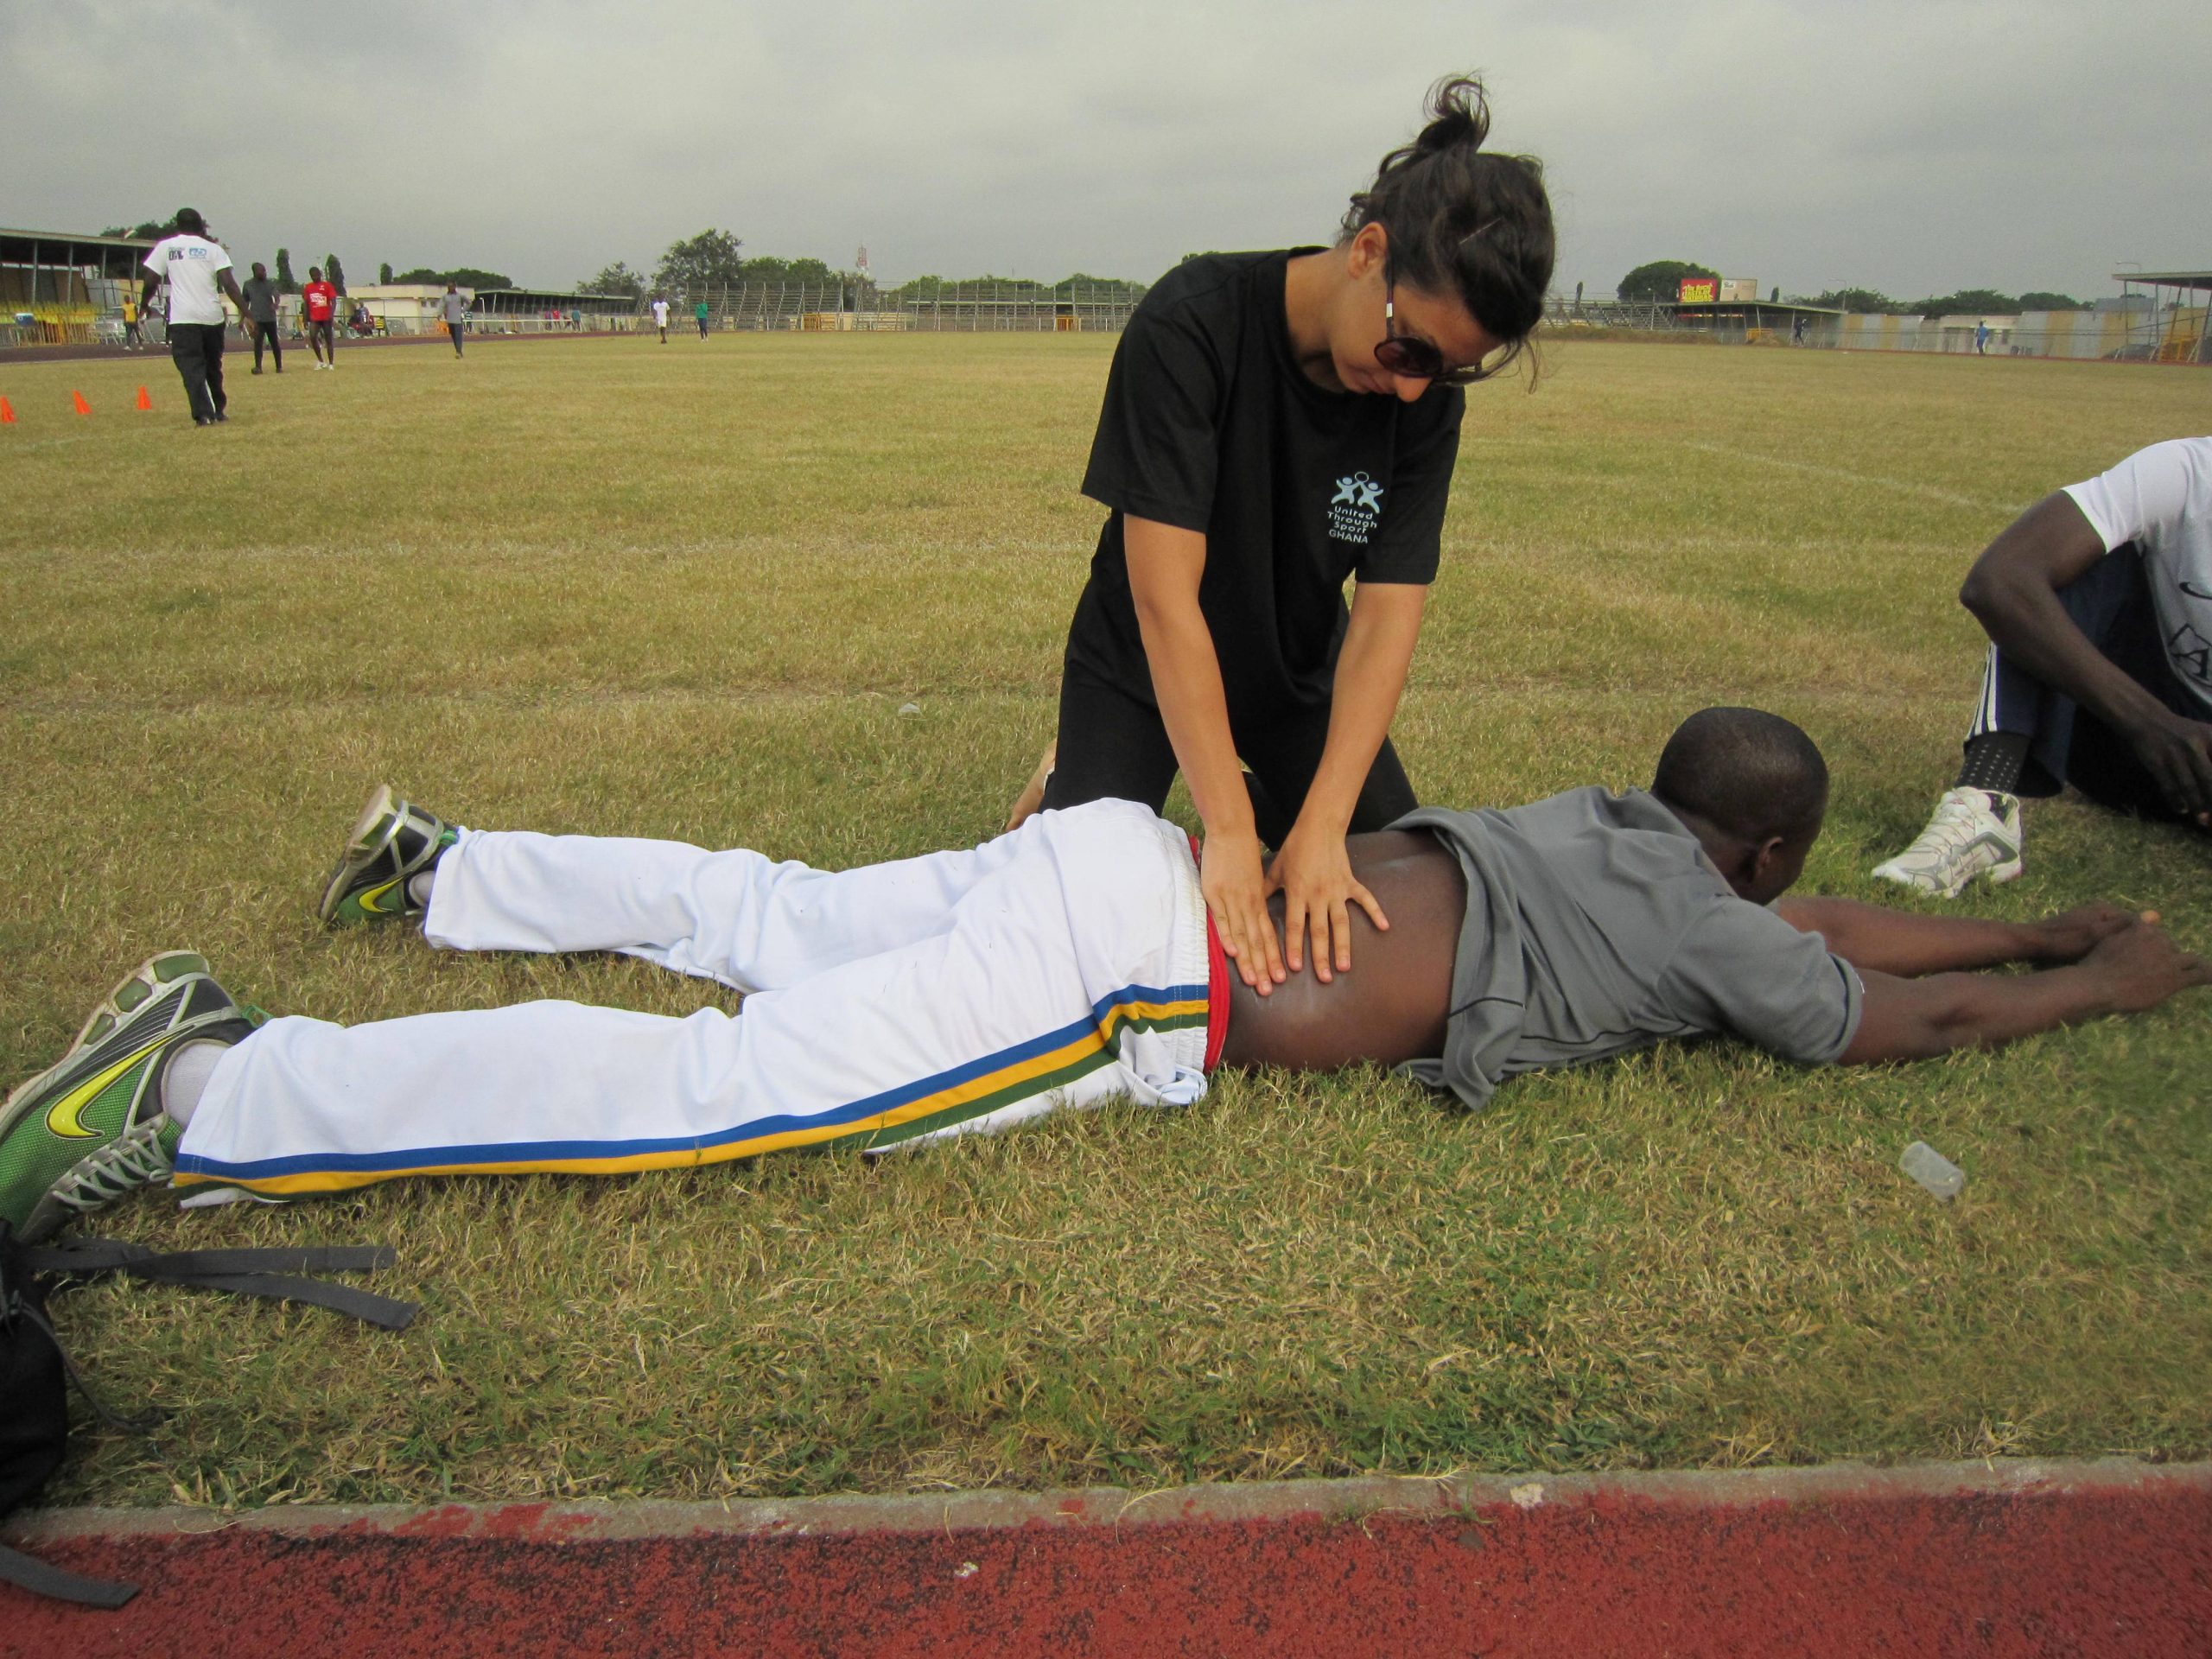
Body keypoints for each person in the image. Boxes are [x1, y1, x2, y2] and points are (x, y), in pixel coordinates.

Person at [5, 709, 2201, 1244]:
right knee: (728, 1082)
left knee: (773, 904)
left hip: (1107, 846)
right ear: (1759, 854)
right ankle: (211, 1092)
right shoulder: (1713, 915)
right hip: (1141, 973)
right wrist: (2095, 981)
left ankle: (451, 867)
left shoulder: (1609, 839)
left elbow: (1834, 933)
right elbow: (1867, 999)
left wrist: (2038, 916)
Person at [1014, 75, 1554, 1008]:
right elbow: (1162, 598)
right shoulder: (1193, 322)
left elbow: (1386, 615)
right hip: (1142, 660)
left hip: (1294, 670)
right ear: (1368, 253)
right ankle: (1080, 767)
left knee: (1406, 887)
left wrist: (1323, 824)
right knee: (1078, 914)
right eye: (1410, 351)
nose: (1418, 390)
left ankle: (1272, 795)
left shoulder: (1424, 402)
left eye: (1453, 371)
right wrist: (1224, 830)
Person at [1874, 437, 2212, 897]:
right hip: (2131, 743)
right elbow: (1998, 582)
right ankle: (1984, 807)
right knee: (2073, 555)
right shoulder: (2185, 471)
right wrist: (2153, 726)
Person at [139, 209, 251, 426]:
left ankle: (203, 413)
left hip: (183, 318)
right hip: (212, 317)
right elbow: (228, 283)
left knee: (191, 366)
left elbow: (151, 280)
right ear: (201, 226)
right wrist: (247, 312)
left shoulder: (166, 247)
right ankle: (218, 409)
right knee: (212, 365)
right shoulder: (213, 249)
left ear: (177, 226)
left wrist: (144, 304)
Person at [238, 261, 283, 373]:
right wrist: (242, 319)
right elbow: (245, 303)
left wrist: (276, 303)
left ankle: (279, 366)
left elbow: (276, 295)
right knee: (258, 343)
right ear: (255, 272)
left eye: (264, 270)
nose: (264, 273)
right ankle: (258, 367)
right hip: (256, 319)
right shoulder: (248, 285)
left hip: (270, 318)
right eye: (262, 271)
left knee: (274, 343)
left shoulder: (270, 283)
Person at [302, 265, 339, 368]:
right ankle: (321, 361)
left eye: (316, 275)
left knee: (328, 339)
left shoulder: (327, 286)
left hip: (326, 317)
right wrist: (305, 318)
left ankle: (331, 363)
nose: (315, 277)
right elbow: (306, 304)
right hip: (315, 318)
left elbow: (334, 301)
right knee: (312, 336)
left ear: (320, 274)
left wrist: (331, 314)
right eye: (312, 276)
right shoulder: (308, 288)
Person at [440, 283, 469, 356]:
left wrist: (463, 310)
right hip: (450, 320)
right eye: (449, 287)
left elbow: (469, 302)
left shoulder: (460, 296)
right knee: (454, 336)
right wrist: (439, 313)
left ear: (455, 287)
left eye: (452, 286)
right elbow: (442, 306)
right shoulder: (445, 297)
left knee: (458, 336)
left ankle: (458, 352)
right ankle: (458, 350)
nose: (451, 288)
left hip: (458, 320)